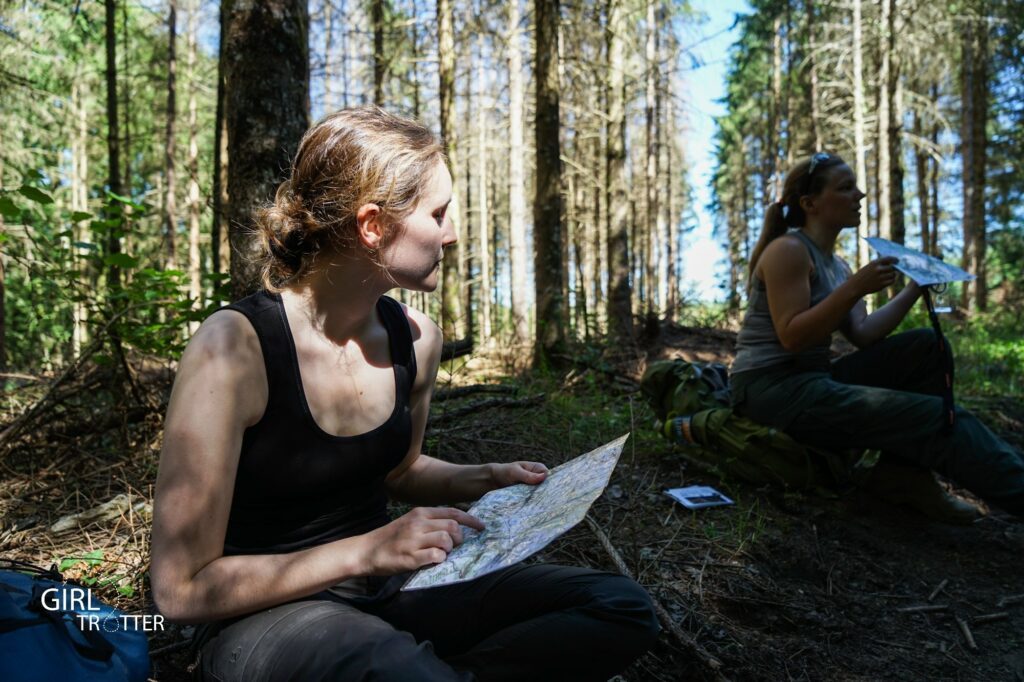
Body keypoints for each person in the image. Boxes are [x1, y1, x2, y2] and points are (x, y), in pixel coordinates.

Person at [150, 107, 659, 681]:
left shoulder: (416, 341)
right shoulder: (235, 349)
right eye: (438, 213)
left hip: (391, 589)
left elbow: (400, 470)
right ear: (372, 225)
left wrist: (490, 477)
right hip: (266, 616)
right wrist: (367, 551)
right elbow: (179, 590)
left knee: (620, 607)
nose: (453, 233)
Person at [727, 152, 1024, 522]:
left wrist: (917, 286)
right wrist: (854, 288)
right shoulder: (788, 250)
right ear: (810, 204)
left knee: (927, 348)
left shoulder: (838, 265)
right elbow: (792, 337)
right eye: (846, 188)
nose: (860, 195)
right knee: (937, 417)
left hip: (811, 380)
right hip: (768, 389)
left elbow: (864, 335)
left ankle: (902, 477)